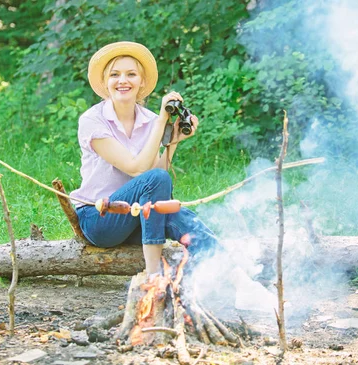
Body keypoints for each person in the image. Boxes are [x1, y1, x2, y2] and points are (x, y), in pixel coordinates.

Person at [69, 41, 275, 310]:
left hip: (137, 215)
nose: (123, 80)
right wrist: (161, 124)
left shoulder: (149, 119)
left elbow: (157, 178)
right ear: (105, 82)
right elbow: (138, 169)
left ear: (142, 82)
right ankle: (154, 277)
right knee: (159, 185)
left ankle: (242, 284)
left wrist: (173, 140)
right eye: (115, 74)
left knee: (181, 215)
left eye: (131, 74)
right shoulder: (92, 120)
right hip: (100, 219)